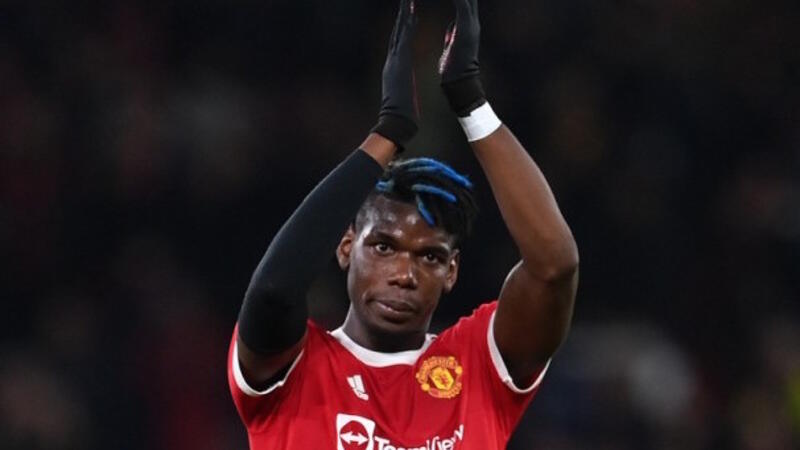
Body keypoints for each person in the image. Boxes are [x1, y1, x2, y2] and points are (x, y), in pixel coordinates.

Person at [227, 0, 579, 448]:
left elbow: (555, 266)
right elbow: (273, 292)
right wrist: (387, 134)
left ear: (451, 271)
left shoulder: (480, 364)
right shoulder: (293, 367)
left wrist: (471, 102)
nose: (404, 275)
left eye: (429, 256)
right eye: (383, 246)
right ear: (346, 246)